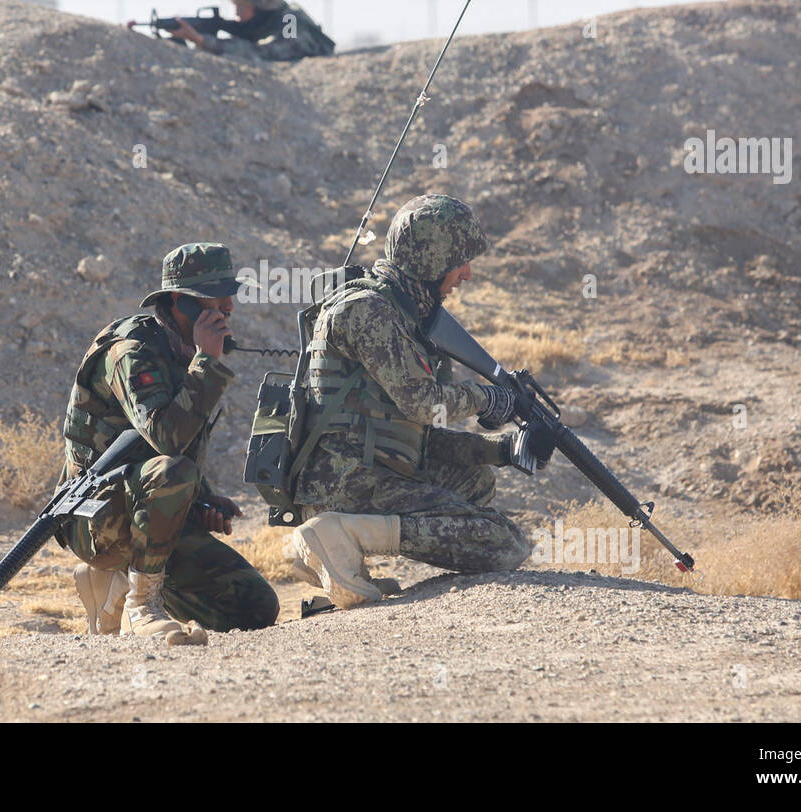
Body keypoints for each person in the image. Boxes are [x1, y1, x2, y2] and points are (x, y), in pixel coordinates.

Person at [289, 195, 555, 608]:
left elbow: (412, 437)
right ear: (430, 261)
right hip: (344, 480)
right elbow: (423, 404)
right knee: (505, 544)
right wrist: (489, 400)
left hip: (369, 467)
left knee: (476, 481)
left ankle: (344, 557)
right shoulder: (368, 310)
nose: (466, 274)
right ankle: (341, 532)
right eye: (459, 260)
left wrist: (502, 451)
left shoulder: (403, 314)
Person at [57, 243, 279, 644]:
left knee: (254, 608)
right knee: (174, 473)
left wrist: (201, 499)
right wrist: (207, 364)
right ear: (182, 302)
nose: (228, 305)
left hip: (142, 516)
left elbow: (172, 451)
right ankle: (141, 607)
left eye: (230, 293)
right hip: (93, 520)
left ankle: (116, 586)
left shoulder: (184, 352)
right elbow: (166, 440)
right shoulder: (132, 353)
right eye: (217, 295)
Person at [169, 0, 334, 62]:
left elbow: (267, 54)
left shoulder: (290, 21)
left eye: (240, 6)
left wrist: (203, 40)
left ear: (262, 5)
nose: (236, 14)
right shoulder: (264, 24)